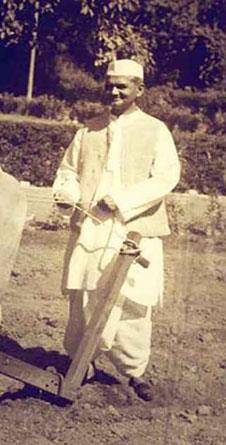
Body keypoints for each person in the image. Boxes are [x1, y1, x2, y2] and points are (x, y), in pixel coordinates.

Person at [52, 59, 181, 402]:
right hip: (91, 230)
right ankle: (82, 363)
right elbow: (69, 171)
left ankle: (134, 371)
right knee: (84, 296)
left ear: (139, 90)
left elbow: (167, 177)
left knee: (132, 302)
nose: (115, 91)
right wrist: (67, 193)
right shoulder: (87, 130)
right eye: (110, 84)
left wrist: (123, 200)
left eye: (123, 86)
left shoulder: (156, 130)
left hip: (133, 230)